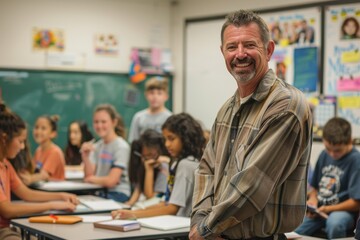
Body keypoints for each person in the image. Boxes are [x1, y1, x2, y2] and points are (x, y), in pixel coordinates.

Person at [189, 10, 313, 240]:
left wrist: (206, 229)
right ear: (222, 52)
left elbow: (253, 186)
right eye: (232, 47)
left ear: (268, 50)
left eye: (249, 45)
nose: (240, 54)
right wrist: (200, 220)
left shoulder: (286, 105)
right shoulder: (228, 108)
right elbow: (205, 169)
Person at [0, 103, 78, 240]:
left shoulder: (5, 164)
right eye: (20, 141)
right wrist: (51, 205)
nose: (23, 147)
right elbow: (7, 210)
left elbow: (27, 193)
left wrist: (60, 196)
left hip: (8, 227)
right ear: (5, 139)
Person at [111, 113, 206, 219]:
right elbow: (166, 202)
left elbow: (172, 209)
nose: (166, 144)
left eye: (171, 138)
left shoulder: (186, 165)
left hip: (180, 227)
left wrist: (134, 214)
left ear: (186, 138)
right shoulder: (177, 163)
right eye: (165, 139)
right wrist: (132, 211)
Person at [295, 117, 360, 239]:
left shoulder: (356, 160)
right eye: (328, 149)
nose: (332, 154)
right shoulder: (324, 154)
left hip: (343, 212)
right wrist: (313, 200)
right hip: (320, 210)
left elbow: (356, 202)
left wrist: (329, 209)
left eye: (338, 150)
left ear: (350, 141)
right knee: (295, 224)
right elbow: (314, 187)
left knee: (335, 223)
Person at [81, 104, 131, 202]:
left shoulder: (121, 146)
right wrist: (85, 157)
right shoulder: (97, 146)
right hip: (100, 191)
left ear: (114, 122)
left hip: (118, 193)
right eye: (96, 122)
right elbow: (88, 175)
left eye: (104, 122)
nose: (99, 126)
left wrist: (92, 179)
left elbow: (112, 181)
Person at [126, 129, 170, 207]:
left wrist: (149, 170)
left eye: (151, 155)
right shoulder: (144, 162)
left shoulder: (163, 167)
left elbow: (151, 198)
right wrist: (128, 205)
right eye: (144, 156)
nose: (146, 159)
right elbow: (138, 188)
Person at [19, 115, 66, 185]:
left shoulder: (55, 152)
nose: (38, 131)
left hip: (55, 191)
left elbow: (44, 175)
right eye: (36, 127)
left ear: (53, 134)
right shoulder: (38, 150)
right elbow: (33, 170)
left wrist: (30, 178)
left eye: (43, 128)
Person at [128, 76, 172, 143]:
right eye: (151, 93)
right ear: (146, 95)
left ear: (166, 96)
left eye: (159, 93)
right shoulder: (138, 117)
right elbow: (134, 142)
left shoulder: (170, 118)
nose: (155, 97)